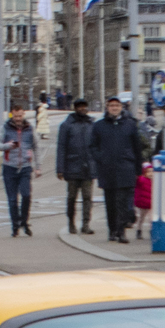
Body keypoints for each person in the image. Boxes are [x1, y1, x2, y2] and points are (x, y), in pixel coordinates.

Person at [91, 96, 148, 242]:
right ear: (107, 107)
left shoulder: (130, 125)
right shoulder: (99, 126)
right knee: (110, 202)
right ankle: (112, 230)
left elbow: (137, 147)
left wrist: (137, 169)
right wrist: (101, 158)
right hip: (107, 169)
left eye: (117, 105)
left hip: (125, 168)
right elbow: (92, 146)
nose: (114, 108)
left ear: (121, 107)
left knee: (123, 201)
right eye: (111, 105)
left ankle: (121, 231)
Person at [54, 98, 97, 233]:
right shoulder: (67, 125)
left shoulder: (91, 124)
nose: (83, 109)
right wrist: (60, 169)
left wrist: (96, 165)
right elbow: (61, 148)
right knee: (72, 197)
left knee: (87, 197)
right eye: (80, 107)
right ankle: (71, 222)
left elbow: (96, 146)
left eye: (84, 106)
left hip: (88, 168)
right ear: (75, 108)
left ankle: (85, 224)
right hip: (72, 166)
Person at [0, 103, 37, 235]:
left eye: (20, 116)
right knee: (12, 199)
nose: (18, 118)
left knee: (26, 195)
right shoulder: (5, 128)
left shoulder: (29, 128)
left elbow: (36, 146)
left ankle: (24, 221)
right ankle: (15, 226)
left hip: (25, 167)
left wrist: (38, 167)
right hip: (9, 167)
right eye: (15, 116)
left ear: (23, 114)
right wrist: (7, 145)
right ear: (12, 115)